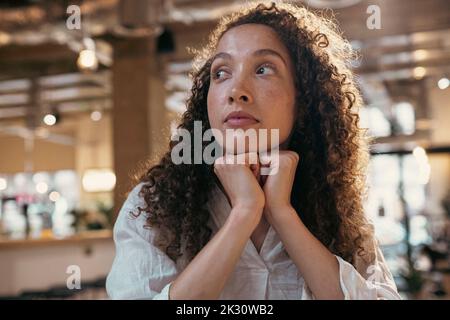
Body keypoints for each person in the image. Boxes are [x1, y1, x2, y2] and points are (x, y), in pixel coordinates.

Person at [106, 1, 401, 300]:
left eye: (263, 69)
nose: (236, 90)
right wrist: (243, 214)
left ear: (303, 99)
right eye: (221, 73)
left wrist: (282, 214)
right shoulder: (155, 204)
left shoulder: (337, 205)